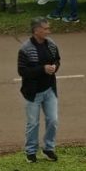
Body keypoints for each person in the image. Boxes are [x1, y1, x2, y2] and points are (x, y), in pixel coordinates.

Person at [18, 17, 61, 163]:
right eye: (46, 28)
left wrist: (55, 67)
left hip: (50, 90)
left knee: (53, 120)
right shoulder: (25, 49)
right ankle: (30, 151)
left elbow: (57, 59)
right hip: (33, 93)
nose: (49, 31)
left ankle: (49, 148)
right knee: (33, 123)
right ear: (36, 30)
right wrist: (42, 69)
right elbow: (22, 71)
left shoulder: (51, 44)